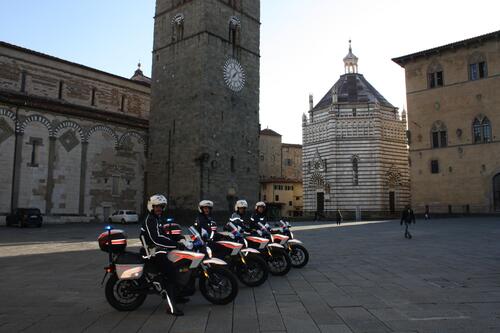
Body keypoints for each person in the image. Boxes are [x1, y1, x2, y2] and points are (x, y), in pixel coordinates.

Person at [140, 194, 188, 316]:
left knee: (177, 267)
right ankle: (172, 308)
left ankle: (177, 296)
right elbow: (156, 239)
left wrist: (178, 239)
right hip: (153, 252)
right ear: (151, 206)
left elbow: (163, 236)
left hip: (159, 250)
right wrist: (175, 245)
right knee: (170, 273)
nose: (159, 209)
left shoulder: (157, 219)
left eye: (161, 207)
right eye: (157, 207)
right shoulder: (150, 219)